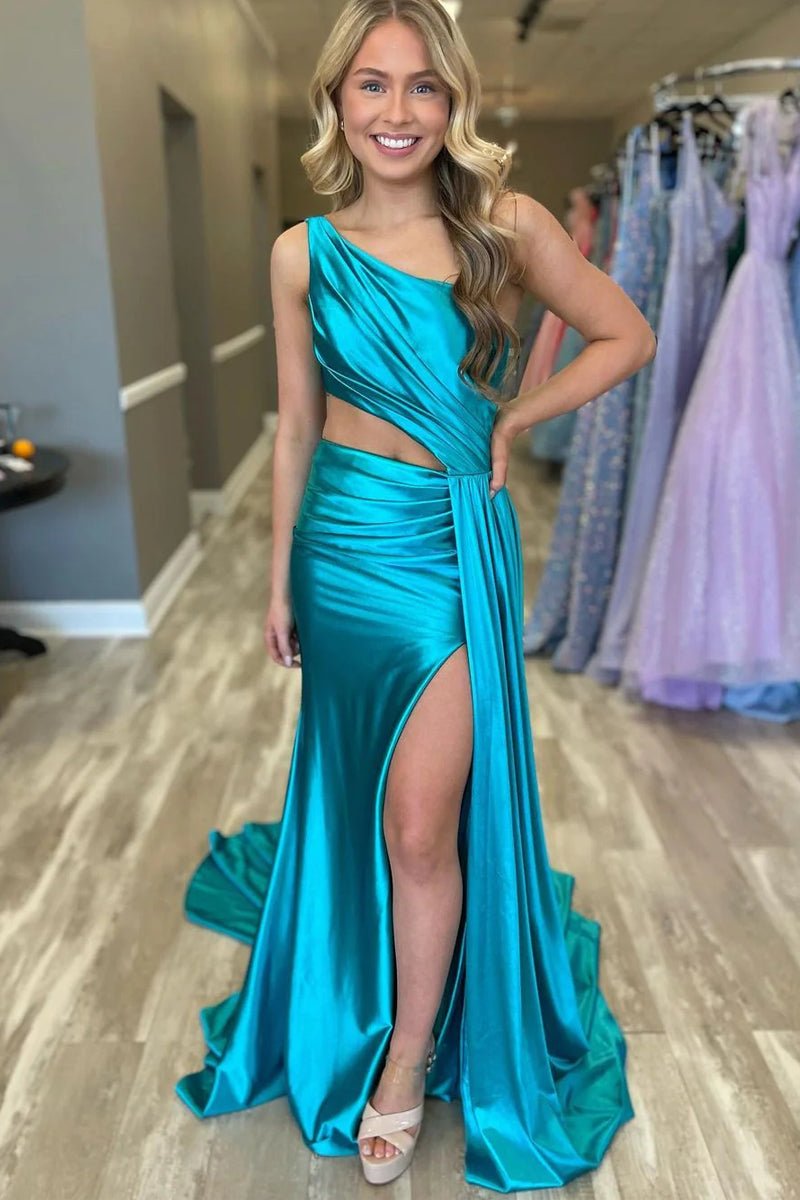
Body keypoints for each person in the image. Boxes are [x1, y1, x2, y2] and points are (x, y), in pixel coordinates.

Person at [175, 0, 656, 1190]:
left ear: (453, 103)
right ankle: (356, 976)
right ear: (336, 100)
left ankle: (403, 1058)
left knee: (417, 827)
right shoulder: (301, 252)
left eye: (422, 87)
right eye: (372, 85)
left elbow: (622, 335)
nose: (397, 111)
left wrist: (513, 415)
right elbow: (297, 427)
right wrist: (279, 577)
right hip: (340, 545)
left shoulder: (504, 227)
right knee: (355, 794)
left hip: (445, 544)